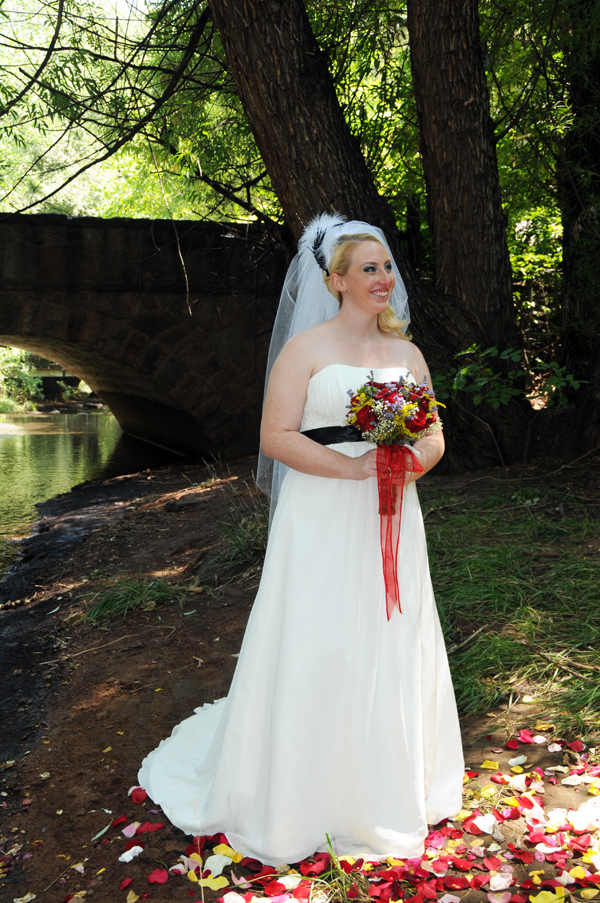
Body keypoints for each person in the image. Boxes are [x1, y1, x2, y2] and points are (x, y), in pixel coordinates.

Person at [138, 213, 464, 866]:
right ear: (336, 280)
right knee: (322, 634)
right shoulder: (306, 350)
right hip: (320, 512)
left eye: (387, 266)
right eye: (368, 268)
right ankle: (302, 791)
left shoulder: (409, 356)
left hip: (394, 511)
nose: (383, 278)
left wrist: (407, 464)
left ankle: (383, 784)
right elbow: (276, 437)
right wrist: (351, 466)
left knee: (388, 632)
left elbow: (433, 434)